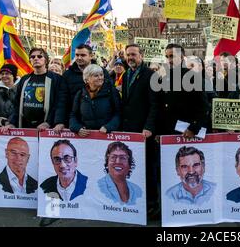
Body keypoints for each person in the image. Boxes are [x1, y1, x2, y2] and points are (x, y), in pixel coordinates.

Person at [121, 44, 159, 216]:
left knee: (149, 169)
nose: (130, 58)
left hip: (145, 131)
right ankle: (137, 201)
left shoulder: (151, 75)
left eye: (134, 54)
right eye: (128, 55)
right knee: (132, 167)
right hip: (130, 129)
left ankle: (152, 204)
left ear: (141, 56)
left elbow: (155, 104)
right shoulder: (126, 74)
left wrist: (149, 127)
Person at [54, 44, 112, 132]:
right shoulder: (67, 75)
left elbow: (111, 96)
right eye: (77, 55)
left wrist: (109, 125)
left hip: (101, 126)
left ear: (91, 56)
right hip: (75, 124)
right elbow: (62, 99)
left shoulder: (102, 72)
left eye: (83, 55)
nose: (79, 58)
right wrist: (59, 121)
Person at [3, 48, 63, 131]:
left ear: (46, 60)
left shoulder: (56, 79)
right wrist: (12, 123)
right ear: (30, 61)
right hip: (25, 126)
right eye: (32, 57)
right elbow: (17, 103)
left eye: (39, 56)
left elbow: (59, 104)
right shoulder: (24, 79)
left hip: (46, 128)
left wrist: (49, 122)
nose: (35, 58)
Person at [156, 44, 208, 138]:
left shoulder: (193, 76)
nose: (169, 60)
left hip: (186, 132)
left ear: (182, 57)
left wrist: (193, 128)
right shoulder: (162, 77)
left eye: (172, 56)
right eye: (167, 57)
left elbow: (203, 107)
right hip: (166, 131)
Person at [69, 64, 121, 135]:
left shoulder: (112, 92)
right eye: (96, 76)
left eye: (101, 75)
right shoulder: (80, 93)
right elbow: (73, 115)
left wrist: (109, 127)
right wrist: (77, 128)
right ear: (87, 79)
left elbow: (118, 113)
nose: (100, 78)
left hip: (106, 136)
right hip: (87, 138)